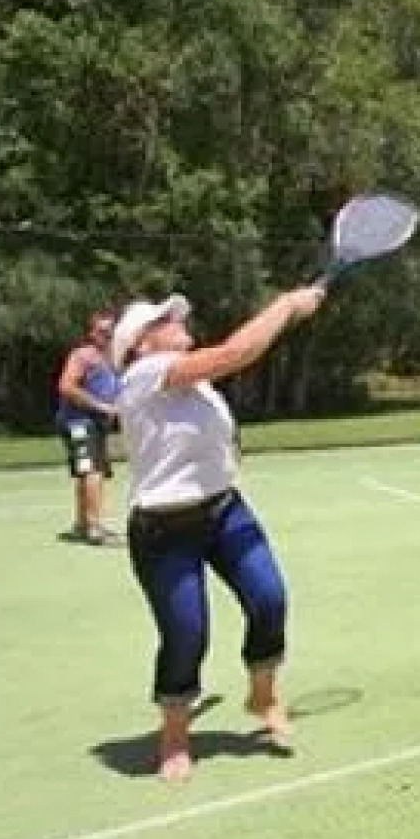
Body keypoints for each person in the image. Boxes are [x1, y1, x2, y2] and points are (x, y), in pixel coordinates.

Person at [109, 285, 325, 783]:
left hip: (226, 513)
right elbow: (237, 353)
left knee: (269, 600)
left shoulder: (197, 387)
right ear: (139, 346)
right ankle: (175, 737)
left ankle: (263, 694)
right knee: (187, 635)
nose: (176, 320)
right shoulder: (142, 376)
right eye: (161, 320)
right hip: (165, 530)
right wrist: (288, 305)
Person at [55, 310, 122, 545]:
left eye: (111, 331)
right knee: (92, 470)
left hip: (96, 424)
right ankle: (94, 527)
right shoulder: (84, 356)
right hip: (79, 422)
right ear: (92, 333)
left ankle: (83, 523)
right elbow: (66, 386)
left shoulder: (113, 359)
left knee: (89, 470)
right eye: (103, 332)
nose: (108, 336)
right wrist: (101, 406)